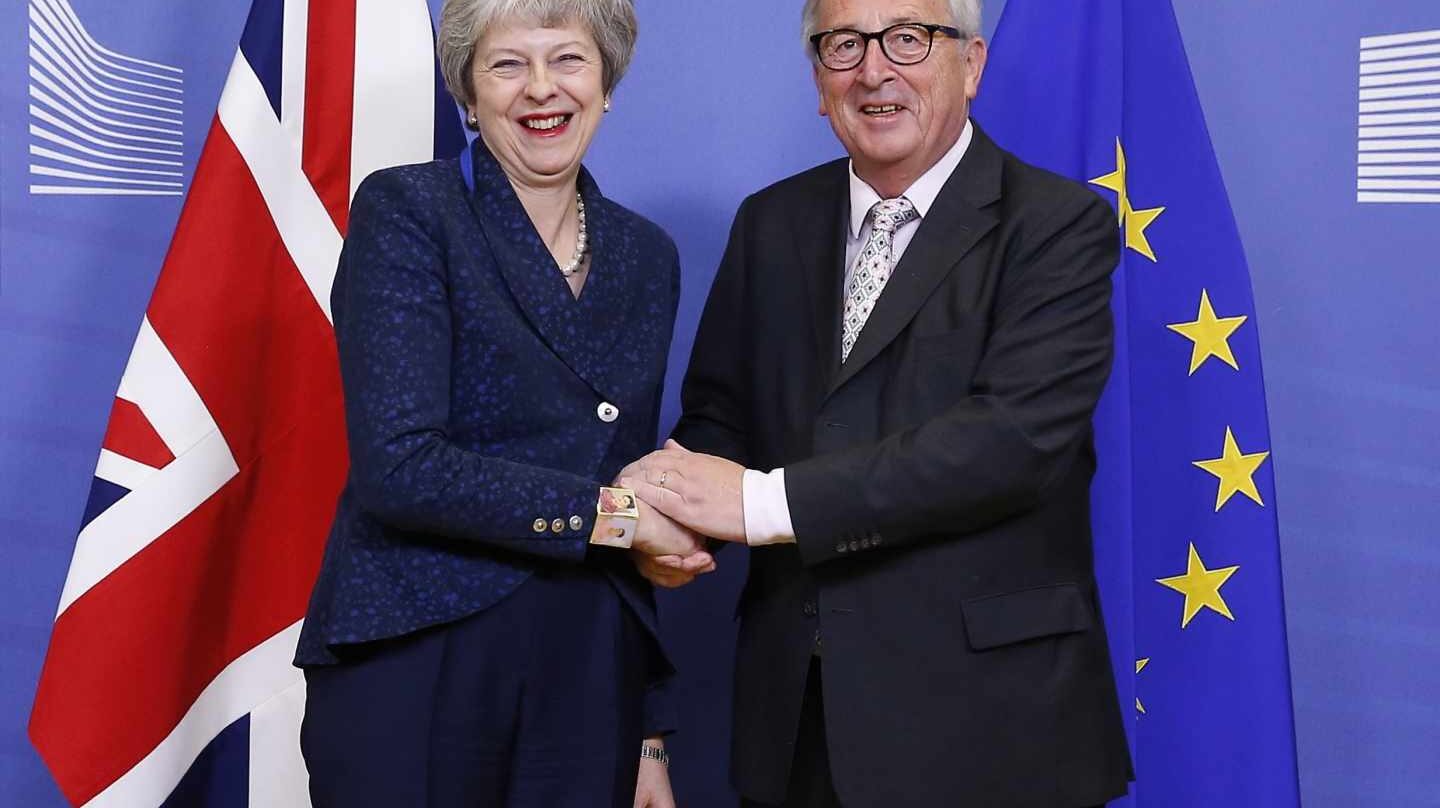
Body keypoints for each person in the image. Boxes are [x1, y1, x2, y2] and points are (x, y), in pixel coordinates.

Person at [624, 0, 1132, 805]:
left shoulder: (1058, 228)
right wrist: (676, 521)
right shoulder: (771, 223)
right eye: (843, 45)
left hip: (991, 731)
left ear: (970, 66)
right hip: (798, 722)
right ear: (818, 82)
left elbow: (1010, 445)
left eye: (907, 38)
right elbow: (721, 415)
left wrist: (756, 504)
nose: (873, 69)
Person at [293, 1, 711, 805]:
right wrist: (612, 518)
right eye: (508, 64)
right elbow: (402, 468)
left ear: (608, 83)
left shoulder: (645, 254)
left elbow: (626, 467)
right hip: (421, 648)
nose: (541, 89)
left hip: (590, 667)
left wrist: (648, 728)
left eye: (569, 60)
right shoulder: (409, 211)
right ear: (469, 93)